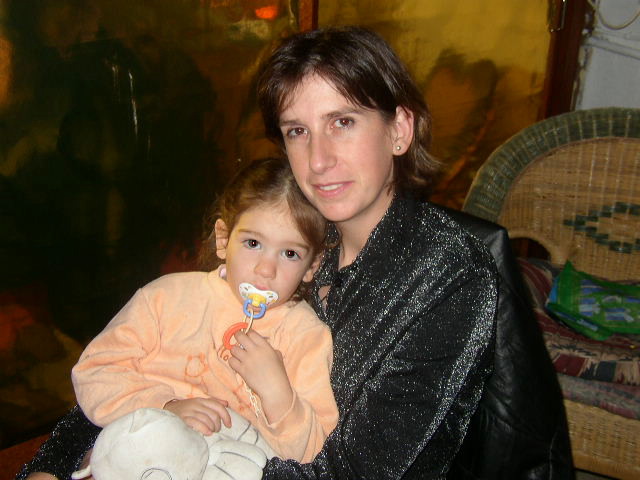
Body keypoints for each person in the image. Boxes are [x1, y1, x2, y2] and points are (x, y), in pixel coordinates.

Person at [19, 27, 500, 479]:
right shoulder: (287, 229)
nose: (318, 160)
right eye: (297, 131)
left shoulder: (450, 276)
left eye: (342, 122)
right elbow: (150, 359)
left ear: (399, 129)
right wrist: (55, 464)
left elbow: (355, 471)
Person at [72, 155, 338, 465]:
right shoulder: (165, 299)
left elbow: (318, 455)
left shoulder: (308, 338)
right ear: (223, 240)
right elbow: (93, 374)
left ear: (312, 266)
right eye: (253, 244)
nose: (266, 269)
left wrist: (278, 393)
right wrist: (165, 408)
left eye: (290, 253)